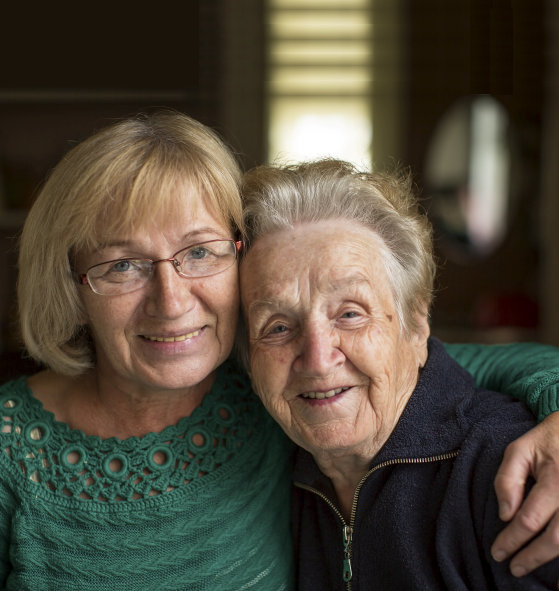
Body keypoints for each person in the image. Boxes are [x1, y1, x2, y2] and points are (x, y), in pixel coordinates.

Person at [0, 113, 557, 590]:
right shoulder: (2, 446)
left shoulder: (268, 390)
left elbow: (454, 363)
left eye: (198, 252)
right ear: (71, 285)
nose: (171, 303)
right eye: (122, 265)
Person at [238, 158, 559, 589]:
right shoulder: (264, 467)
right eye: (277, 327)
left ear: (417, 325)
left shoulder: (511, 475)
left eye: (350, 314)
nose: (317, 359)